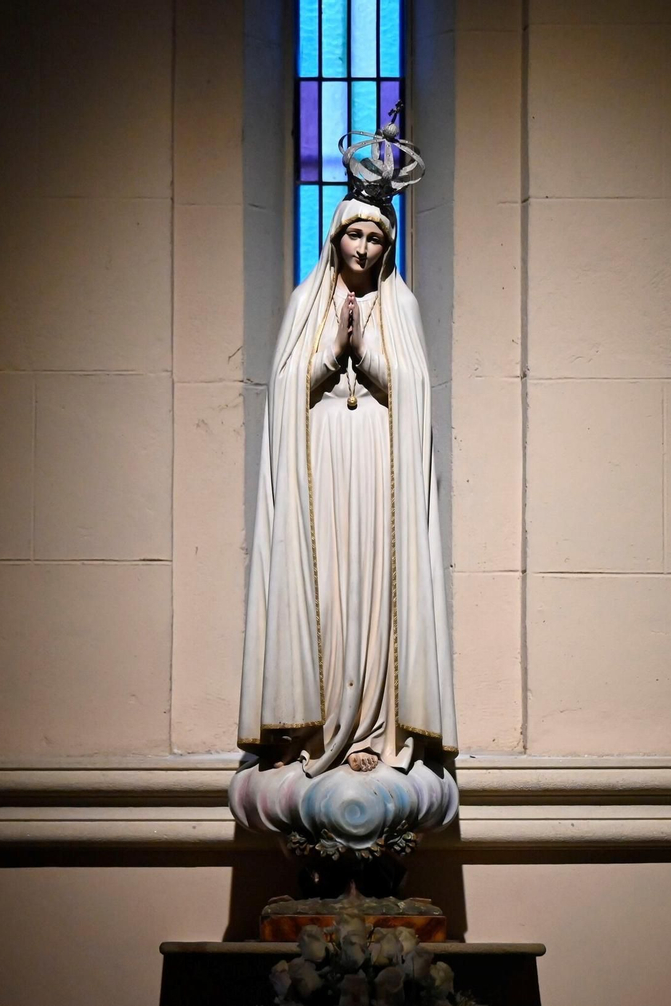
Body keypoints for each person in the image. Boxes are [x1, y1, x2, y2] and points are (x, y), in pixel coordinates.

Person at [237, 120, 456, 778]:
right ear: (335, 237)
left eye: (376, 237)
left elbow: (414, 394)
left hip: (378, 466)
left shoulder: (402, 307)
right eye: (355, 233)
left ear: (388, 247)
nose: (363, 246)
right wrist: (332, 352)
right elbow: (286, 394)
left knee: (374, 594)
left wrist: (368, 353)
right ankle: (317, 731)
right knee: (327, 594)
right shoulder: (308, 302)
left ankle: (374, 733)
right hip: (322, 463)